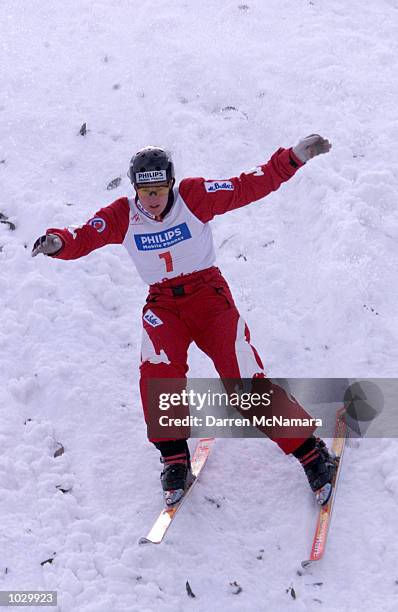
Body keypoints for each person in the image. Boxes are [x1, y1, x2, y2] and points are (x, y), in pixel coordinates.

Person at [32, 135, 336, 507]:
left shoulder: (194, 197)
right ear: (135, 190)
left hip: (209, 299)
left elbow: (246, 186)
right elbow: (82, 236)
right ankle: (174, 457)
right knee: (157, 376)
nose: (154, 198)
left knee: (243, 383)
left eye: (160, 189)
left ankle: (310, 450)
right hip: (163, 305)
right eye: (146, 192)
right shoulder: (121, 215)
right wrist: (58, 243)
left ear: (171, 184)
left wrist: (292, 158)